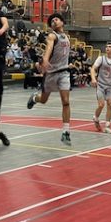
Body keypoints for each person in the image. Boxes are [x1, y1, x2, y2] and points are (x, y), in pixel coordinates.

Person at [27, 13, 72, 145]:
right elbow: (48, 48)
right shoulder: (53, 36)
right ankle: (35, 98)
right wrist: (45, 60)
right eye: (51, 21)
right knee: (44, 100)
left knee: (66, 102)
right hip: (51, 74)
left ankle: (66, 132)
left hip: (63, 72)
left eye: (56, 19)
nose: (54, 22)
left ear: (62, 22)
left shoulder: (67, 37)